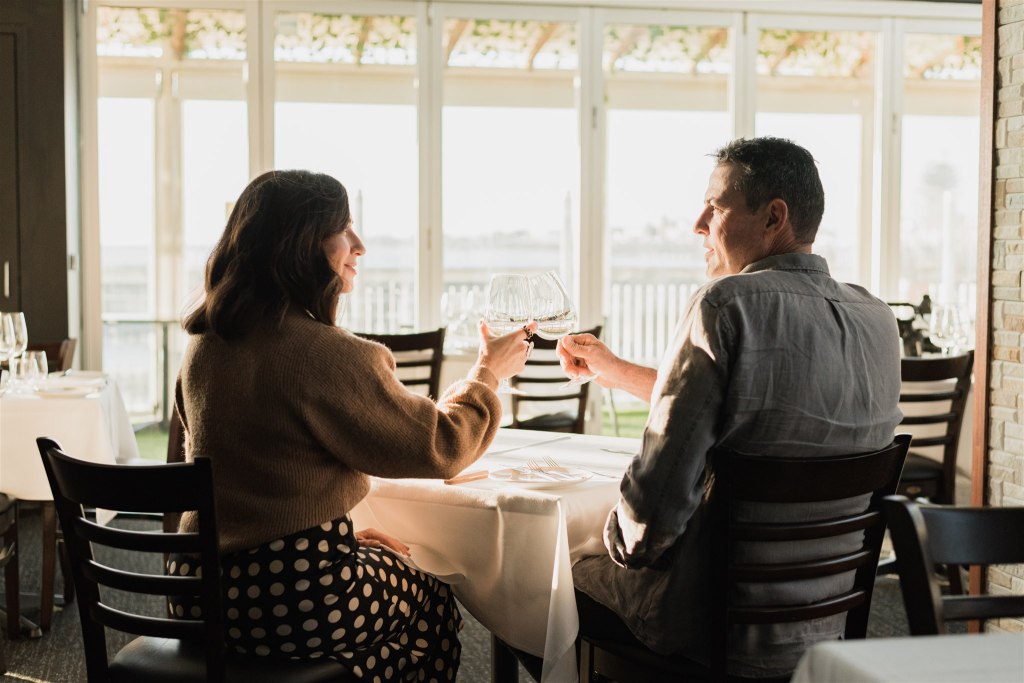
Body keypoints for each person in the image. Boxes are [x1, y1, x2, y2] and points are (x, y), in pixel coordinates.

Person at [170, 169, 535, 682]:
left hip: (195, 590)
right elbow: (442, 447)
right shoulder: (327, 355)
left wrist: (338, 542)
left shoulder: (203, 346)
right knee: (431, 595)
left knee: (369, 614)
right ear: (300, 246)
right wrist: (486, 375)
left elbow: (227, 479)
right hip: (290, 599)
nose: (359, 245)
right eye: (344, 229)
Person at [558, 137, 902, 677]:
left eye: (715, 207)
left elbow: (649, 523)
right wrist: (616, 369)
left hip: (716, 622)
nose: (697, 224)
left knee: (547, 585)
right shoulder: (877, 318)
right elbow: (757, 407)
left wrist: (608, 542)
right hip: (826, 618)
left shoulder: (724, 305)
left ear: (773, 218)